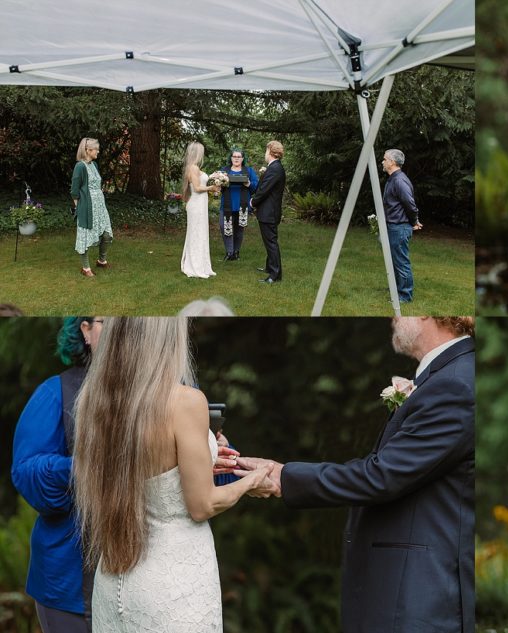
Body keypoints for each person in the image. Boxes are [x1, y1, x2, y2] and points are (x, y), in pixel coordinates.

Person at [234, 317, 475, 632]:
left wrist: (283, 477)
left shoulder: (455, 383)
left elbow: (382, 476)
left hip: (420, 596)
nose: (394, 316)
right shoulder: (445, 376)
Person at [71, 318, 276, 632]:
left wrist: (206, 457)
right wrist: (254, 478)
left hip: (113, 581)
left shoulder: (94, 402)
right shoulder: (185, 401)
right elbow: (202, 504)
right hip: (174, 582)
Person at [11, 318, 101, 632]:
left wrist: (230, 463)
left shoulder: (170, 391)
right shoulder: (55, 393)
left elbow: (199, 474)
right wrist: (83, 468)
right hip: (71, 586)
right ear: (86, 330)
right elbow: (26, 473)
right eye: (109, 320)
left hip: (150, 585)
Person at [381, 149, 422, 303]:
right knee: (393, 260)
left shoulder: (399, 180)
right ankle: (396, 287)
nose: (383, 162)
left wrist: (414, 221)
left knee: (401, 261)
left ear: (392, 162)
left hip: (399, 227)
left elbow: (410, 204)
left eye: (385, 159)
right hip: (393, 225)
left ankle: (405, 295)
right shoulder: (393, 178)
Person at [71, 138, 114, 278]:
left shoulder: (94, 164)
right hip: (87, 207)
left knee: (106, 234)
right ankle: (85, 267)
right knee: (85, 237)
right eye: (96, 149)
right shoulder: (80, 167)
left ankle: (101, 261)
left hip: (100, 207)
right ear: (88, 150)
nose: (98, 151)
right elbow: (74, 191)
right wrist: (79, 208)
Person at [180, 142, 219, 279]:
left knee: (201, 233)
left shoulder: (195, 168)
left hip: (200, 205)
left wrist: (214, 176)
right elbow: (197, 188)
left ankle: (203, 265)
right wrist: (211, 188)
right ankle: (194, 266)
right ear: (197, 153)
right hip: (196, 205)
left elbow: (201, 181)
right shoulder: (193, 168)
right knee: (196, 233)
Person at [251, 140, 286, 284]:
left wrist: (253, 202)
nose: (265, 154)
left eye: (266, 151)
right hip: (268, 211)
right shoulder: (273, 167)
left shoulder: (275, 168)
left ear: (271, 151)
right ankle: (269, 267)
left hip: (269, 212)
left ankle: (275, 275)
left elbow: (264, 190)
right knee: (269, 241)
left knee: (271, 242)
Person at [217, 147, 259, 262]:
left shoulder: (249, 171)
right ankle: (229, 252)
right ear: (231, 158)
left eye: (239, 157)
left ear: (242, 158)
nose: (236, 159)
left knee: (239, 230)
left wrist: (249, 183)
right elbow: (217, 186)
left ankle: (236, 252)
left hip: (242, 205)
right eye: (234, 156)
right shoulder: (224, 171)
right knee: (224, 227)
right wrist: (218, 184)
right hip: (226, 205)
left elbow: (256, 186)